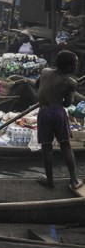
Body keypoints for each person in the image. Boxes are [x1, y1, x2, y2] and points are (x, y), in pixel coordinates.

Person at [35, 50, 85, 191]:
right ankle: (74, 180)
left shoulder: (45, 72)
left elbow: (37, 86)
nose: (77, 66)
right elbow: (68, 104)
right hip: (57, 112)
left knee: (46, 147)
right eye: (75, 64)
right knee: (66, 146)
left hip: (44, 112)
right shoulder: (71, 82)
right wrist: (72, 90)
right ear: (69, 67)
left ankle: (49, 180)